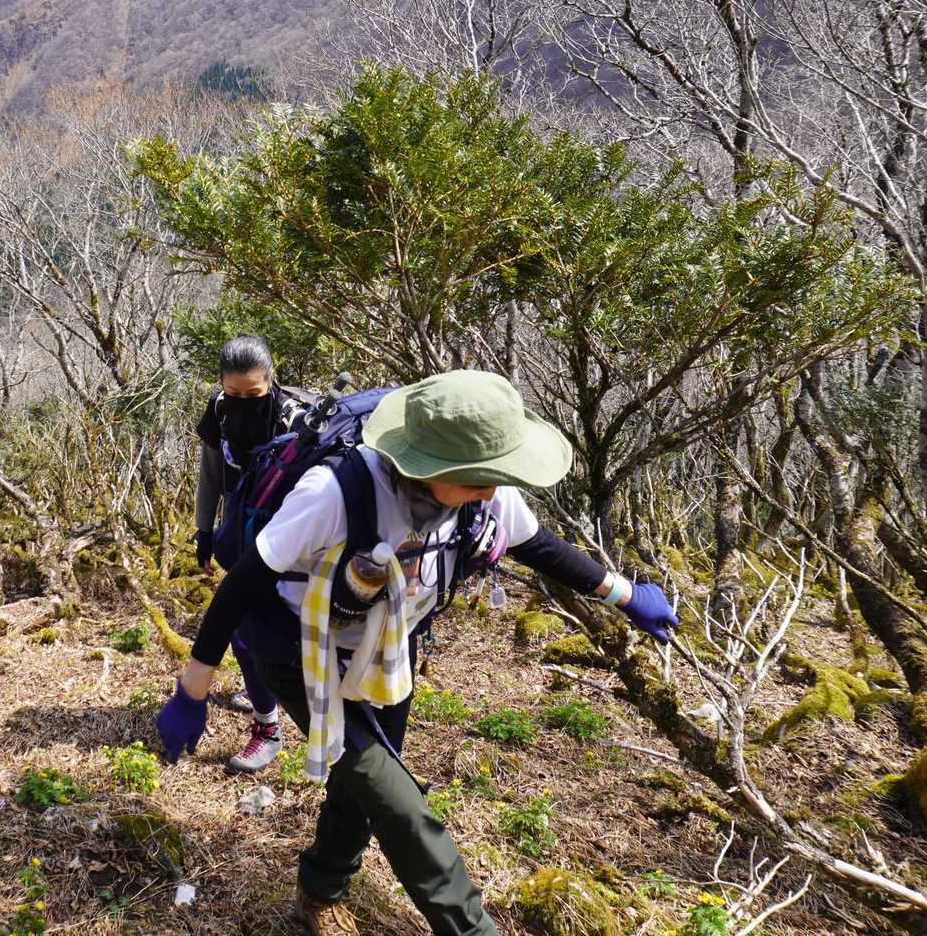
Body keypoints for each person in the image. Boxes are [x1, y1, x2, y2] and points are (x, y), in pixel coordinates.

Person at [158, 370, 678, 936]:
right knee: (398, 802)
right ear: (429, 468)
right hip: (299, 648)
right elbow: (240, 585)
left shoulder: (482, 490)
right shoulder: (334, 493)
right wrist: (193, 692)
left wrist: (626, 595)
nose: (492, 491)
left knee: (364, 790)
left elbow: (537, 545)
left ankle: (321, 890)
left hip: (388, 648)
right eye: (479, 479)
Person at [194, 334, 308, 773]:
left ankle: (270, 718)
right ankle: (267, 709)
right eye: (233, 392)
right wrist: (204, 529)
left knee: (256, 631)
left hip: (287, 536)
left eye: (252, 393)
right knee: (246, 630)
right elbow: (210, 472)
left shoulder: (295, 418)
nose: (242, 402)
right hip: (239, 528)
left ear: (271, 380)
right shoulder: (220, 409)